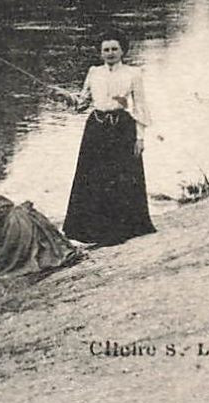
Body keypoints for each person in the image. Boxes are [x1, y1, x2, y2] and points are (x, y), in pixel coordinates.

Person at [63, 33, 156, 246]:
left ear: (123, 50)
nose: (110, 53)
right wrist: (69, 99)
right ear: (100, 52)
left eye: (114, 49)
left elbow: (140, 105)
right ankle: (90, 230)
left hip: (122, 128)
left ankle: (122, 229)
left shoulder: (133, 73)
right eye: (106, 50)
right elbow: (82, 103)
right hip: (96, 127)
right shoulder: (94, 72)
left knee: (121, 176)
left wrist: (140, 138)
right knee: (93, 176)